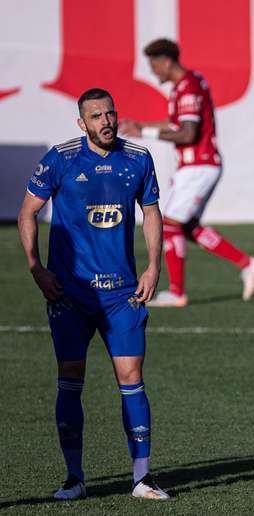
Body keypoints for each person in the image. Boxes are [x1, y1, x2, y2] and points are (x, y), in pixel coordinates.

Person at [17, 88, 169, 500]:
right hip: (70, 294)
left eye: (110, 113)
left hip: (122, 295)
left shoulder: (137, 158)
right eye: (96, 116)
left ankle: (141, 478)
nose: (106, 121)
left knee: (132, 378)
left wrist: (154, 265)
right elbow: (28, 212)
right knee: (70, 380)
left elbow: (151, 212)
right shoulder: (61, 158)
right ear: (81, 123)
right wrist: (36, 269)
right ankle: (74, 478)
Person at [120, 38, 254, 307]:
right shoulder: (186, 84)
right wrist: (141, 125)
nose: (153, 72)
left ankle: (177, 291)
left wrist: (145, 132)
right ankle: (246, 263)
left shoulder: (188, 88)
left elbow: (188, 132)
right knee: (185, 227)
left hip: (199, 164)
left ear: (166, 61)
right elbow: (178, 123)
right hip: (196, 165)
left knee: (169, 222)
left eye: (154, 65)